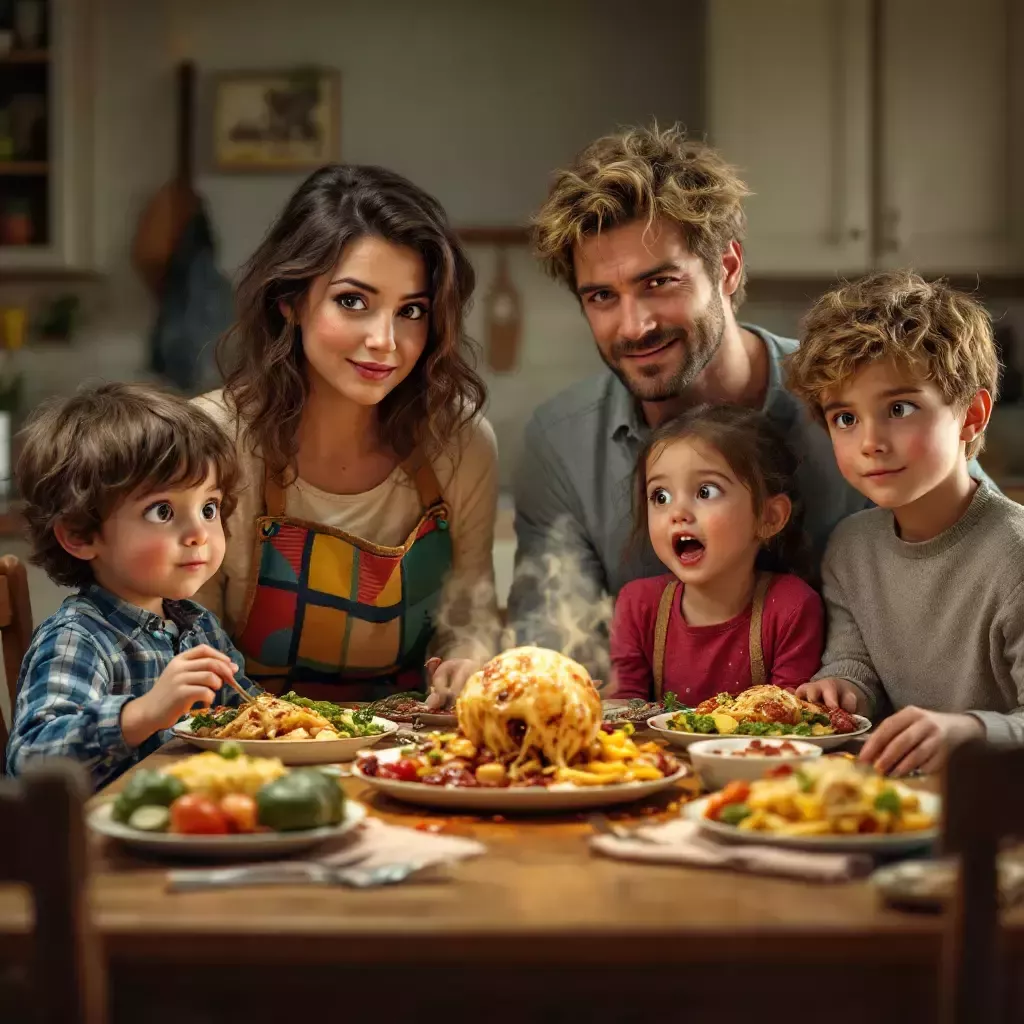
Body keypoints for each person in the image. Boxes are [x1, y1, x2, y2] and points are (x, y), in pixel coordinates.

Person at [508, 125, 992, 672]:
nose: (635, 325)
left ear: (728, 267)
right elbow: (557, 654)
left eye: (660, 283)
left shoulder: (854, 396)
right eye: (601, 297)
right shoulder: (561, 443)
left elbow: (981, 541)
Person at [196, 164, 498, 705]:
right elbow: (191, 640)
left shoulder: (463, 444)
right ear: (290, 301)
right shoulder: (212, 441)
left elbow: (469, 615)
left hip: (411, 750)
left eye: (411, 311)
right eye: (353, 301)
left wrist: (468, 661)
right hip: (250, 745)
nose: (385, 341)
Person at [790, 272, 1024, 775]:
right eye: (845, 418)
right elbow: (856, 664)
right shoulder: (850, 548)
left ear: (972, 416)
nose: (870, 441)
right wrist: (841, 687)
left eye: (899, 408)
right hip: (899, 801)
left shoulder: (1015, 555)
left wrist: (969, 731)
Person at [7, 383, 255, 789]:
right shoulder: (77, 639)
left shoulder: (198, 627)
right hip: (97, 844)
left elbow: (251, 715)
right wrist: (142, 714)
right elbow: (32, 763)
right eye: (162, 511)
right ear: (81, 536)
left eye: (208, 507)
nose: (199, 533)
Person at [611, 404, 823, 704]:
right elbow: (621, 716)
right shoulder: (638, 606)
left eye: (705, 492)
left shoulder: (791, 608)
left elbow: (789, 722)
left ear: (769, 517)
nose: (678, 513)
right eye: (661, 496)